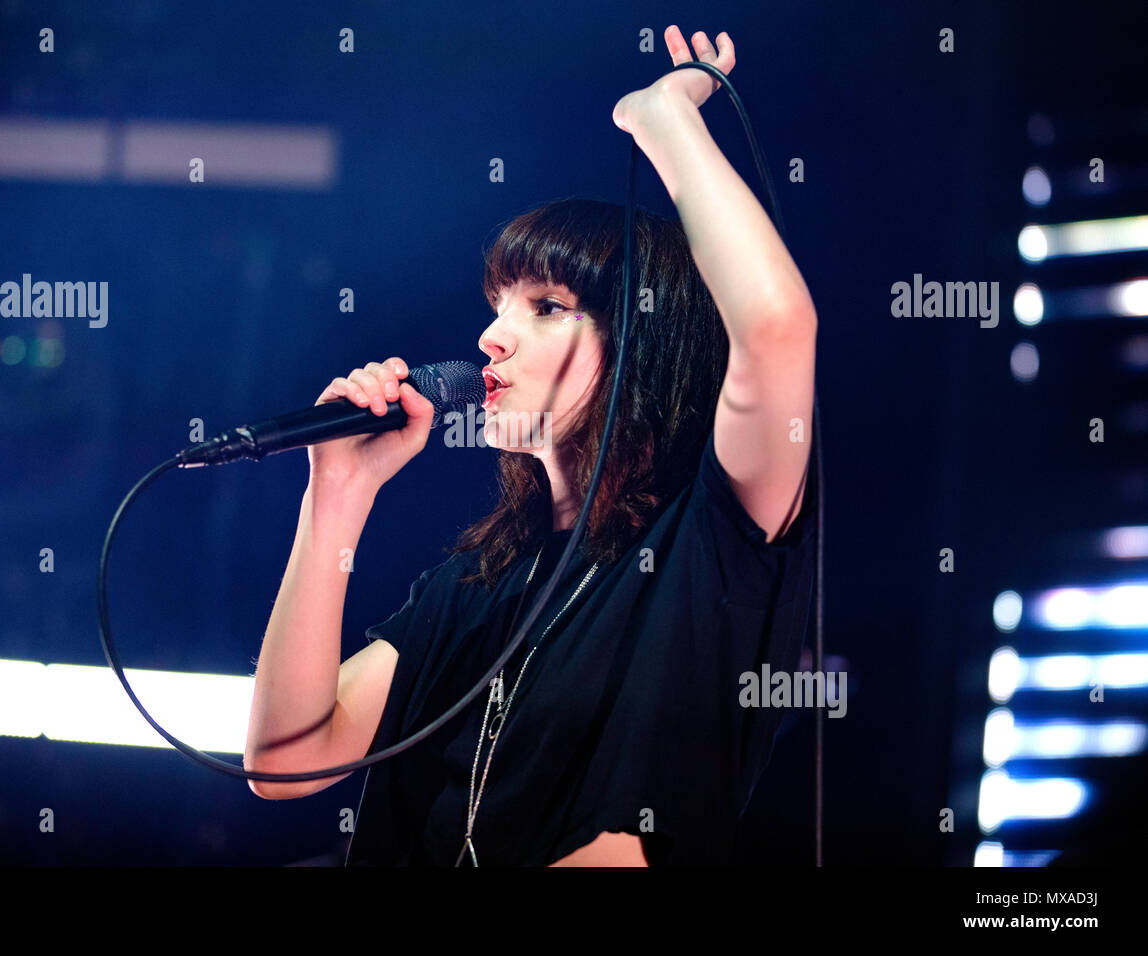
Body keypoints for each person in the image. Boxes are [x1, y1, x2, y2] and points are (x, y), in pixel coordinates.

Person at [244, 25, 820, 866]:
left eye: (546, 306)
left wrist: (666, 122)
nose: (491, 338)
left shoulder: (710, 539)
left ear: (643, 340)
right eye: (498, 305)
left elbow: (775, 327)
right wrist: (337, 495)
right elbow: (284, 761)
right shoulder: (480, 583)